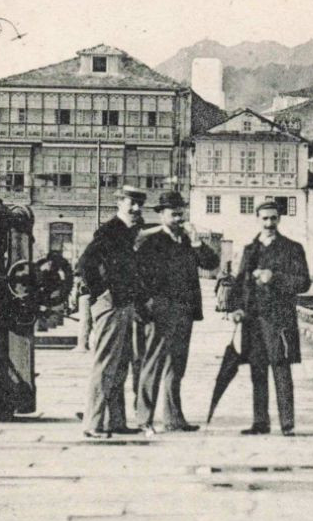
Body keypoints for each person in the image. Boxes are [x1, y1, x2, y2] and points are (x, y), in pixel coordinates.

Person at [134, 191, 220, 434]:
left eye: (181, 213)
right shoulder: (150, 242)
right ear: (162, 215)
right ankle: (144, 419)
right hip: (160, 312)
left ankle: (173, 418)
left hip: (184, 312)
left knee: (177, 367)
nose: (179, 218)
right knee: (153, 365)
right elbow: (139, 278)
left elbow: (211, 264)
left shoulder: (187, 240)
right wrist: (147, 306)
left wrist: (196, 242)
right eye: (174, 213)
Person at [228, 199, 310, 435]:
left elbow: (303, 282)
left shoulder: (292, 248)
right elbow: (241, 281)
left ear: (279, 219)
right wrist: (236, 308)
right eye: (265, 218)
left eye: (273, 218)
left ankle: (287, 424)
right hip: (253, 320)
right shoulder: (250, 249)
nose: (269, 223)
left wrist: (273, 277)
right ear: (258, 219)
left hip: (280, 320)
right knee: (257, 370)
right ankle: (260, 422)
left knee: (281, 369)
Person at [77, 186, 148, 438]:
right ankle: (93, 424)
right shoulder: (110, 230)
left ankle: (116, 421)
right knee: (105, 364)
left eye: (140, 204)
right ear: (119, 203)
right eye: (131, 203)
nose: (136, 208)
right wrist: (102, 293)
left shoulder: (129, 234)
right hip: (111, 305)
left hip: (125, 304)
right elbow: (85, 265)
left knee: (120, 365)